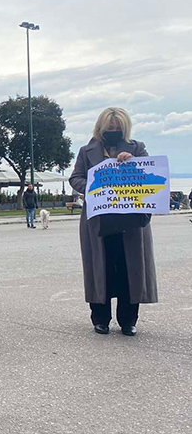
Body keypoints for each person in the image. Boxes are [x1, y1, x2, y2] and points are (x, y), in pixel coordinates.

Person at [69, 107, 157, 336]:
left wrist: (132, 162)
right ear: (101, 129)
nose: (114, 132)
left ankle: (129, 320)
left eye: (118, 129)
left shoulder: (137, 148)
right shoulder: (85, 151)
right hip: (99, 221)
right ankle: (100, 318)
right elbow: (75, 178)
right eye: (110, 129)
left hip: (131, 221)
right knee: (100, 268)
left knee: (131, 269)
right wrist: (93, 185)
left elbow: (150, 174)